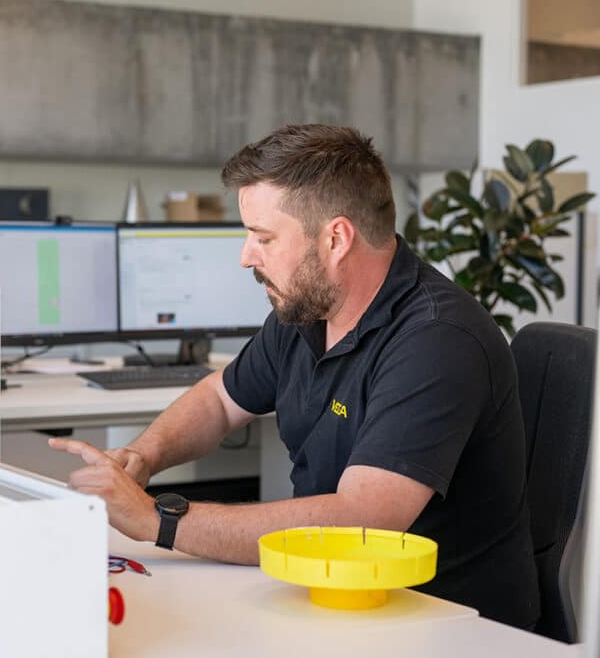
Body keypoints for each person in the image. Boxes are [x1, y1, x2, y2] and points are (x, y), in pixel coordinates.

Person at [49, 124, 539, 629]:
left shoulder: (437, 339)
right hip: (332, 596)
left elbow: (361, 519)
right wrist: (144, 456)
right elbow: (219, 400)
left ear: (336, 238)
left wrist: (159, 520)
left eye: (263, 237)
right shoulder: (307, 312)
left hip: (444, 623)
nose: (246, 256)